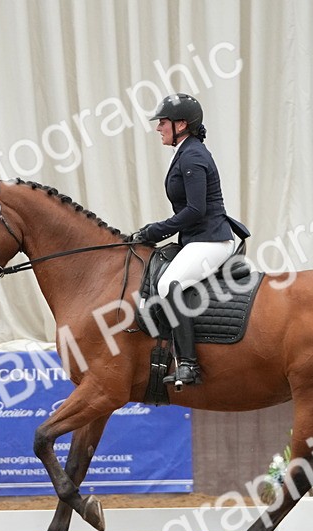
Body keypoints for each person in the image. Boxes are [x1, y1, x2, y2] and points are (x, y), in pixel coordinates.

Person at [127, 93, 234, 388]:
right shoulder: (186, 152)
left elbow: (196, 210)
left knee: (168, 284)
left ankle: (188, 364)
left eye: (163, 122)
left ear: (182, 124)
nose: (158, 127)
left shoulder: (194, 155)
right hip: (196, 238)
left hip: (211, 240)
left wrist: (155, 231)